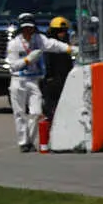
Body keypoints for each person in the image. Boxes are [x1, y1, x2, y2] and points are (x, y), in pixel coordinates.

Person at [5, 14, 73, 152]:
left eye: (30, 28)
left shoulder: (39, 39)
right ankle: (24, 143)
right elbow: (13, 66)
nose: (28, 31)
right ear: (21, 29)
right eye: (25, 28)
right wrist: (27, 60)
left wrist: (69, 49)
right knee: (19, 113)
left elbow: (53, 45)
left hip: (33, 80)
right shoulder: (14, 44)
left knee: (36, 112)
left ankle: (30, 140)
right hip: (18, 81)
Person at [37, 15, 74, 152]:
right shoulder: (48, 45)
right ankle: (48, 142)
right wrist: (48, 80)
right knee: (50, 112)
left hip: (65, 80)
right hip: (51, 82)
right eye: (59, 31)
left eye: (64, 31)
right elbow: (45, 65)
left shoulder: (66, 45)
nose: (62, 34)